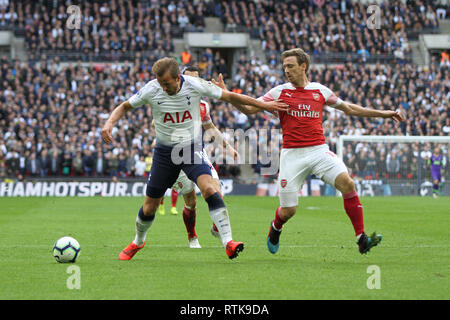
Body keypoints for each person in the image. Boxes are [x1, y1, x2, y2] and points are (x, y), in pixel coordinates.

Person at [213, 48, 405, 255]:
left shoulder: (320, 90)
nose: (286, 70)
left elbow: (349, 108)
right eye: (284, 66)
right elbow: (249, 108)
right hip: (292, 155)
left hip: (319, 151)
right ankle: (276, 227)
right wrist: (227, 95)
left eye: (291, 66)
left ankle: (361, 238)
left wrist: (383, 114)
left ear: (303, 66)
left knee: (347, 183)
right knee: (289, 211)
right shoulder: (280, 92)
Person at [101, 57, 287, 260]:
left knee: (209, 188)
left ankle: (228, 242)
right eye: (160, 83)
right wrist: (109, 123)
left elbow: (230, 96)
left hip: (190, 149)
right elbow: (125, 106)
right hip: (164, 153)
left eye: (167, 83)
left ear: (177, 78)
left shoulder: (195, 85)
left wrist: (263, 106)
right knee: (150, 205)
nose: (163, 87)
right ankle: (138, 241)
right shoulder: (151, 89)